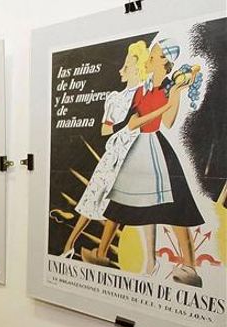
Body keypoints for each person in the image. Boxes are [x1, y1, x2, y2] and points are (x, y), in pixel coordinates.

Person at [82, 39, 204, 287]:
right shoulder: (142, 90)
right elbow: (134, 121)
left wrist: (176, 93)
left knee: (176, 205)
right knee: (117, 202)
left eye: (153, 55)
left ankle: (189, 267)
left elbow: (168, 122)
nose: (148, 58)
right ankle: (101, 254)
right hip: (137, 146)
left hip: (157, 149)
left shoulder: (170, 88)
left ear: (164, 61)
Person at [60, 41, 152, 269]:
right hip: (113, 153)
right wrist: (126, 124)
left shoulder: (145, 93)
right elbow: (104, 129)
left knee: (115, 205)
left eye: (126, 65)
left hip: (132, 155)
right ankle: (69, 245)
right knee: (91, 196)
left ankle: (101, 252)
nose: (121, 70)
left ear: (136, 67)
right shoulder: (114, 98)